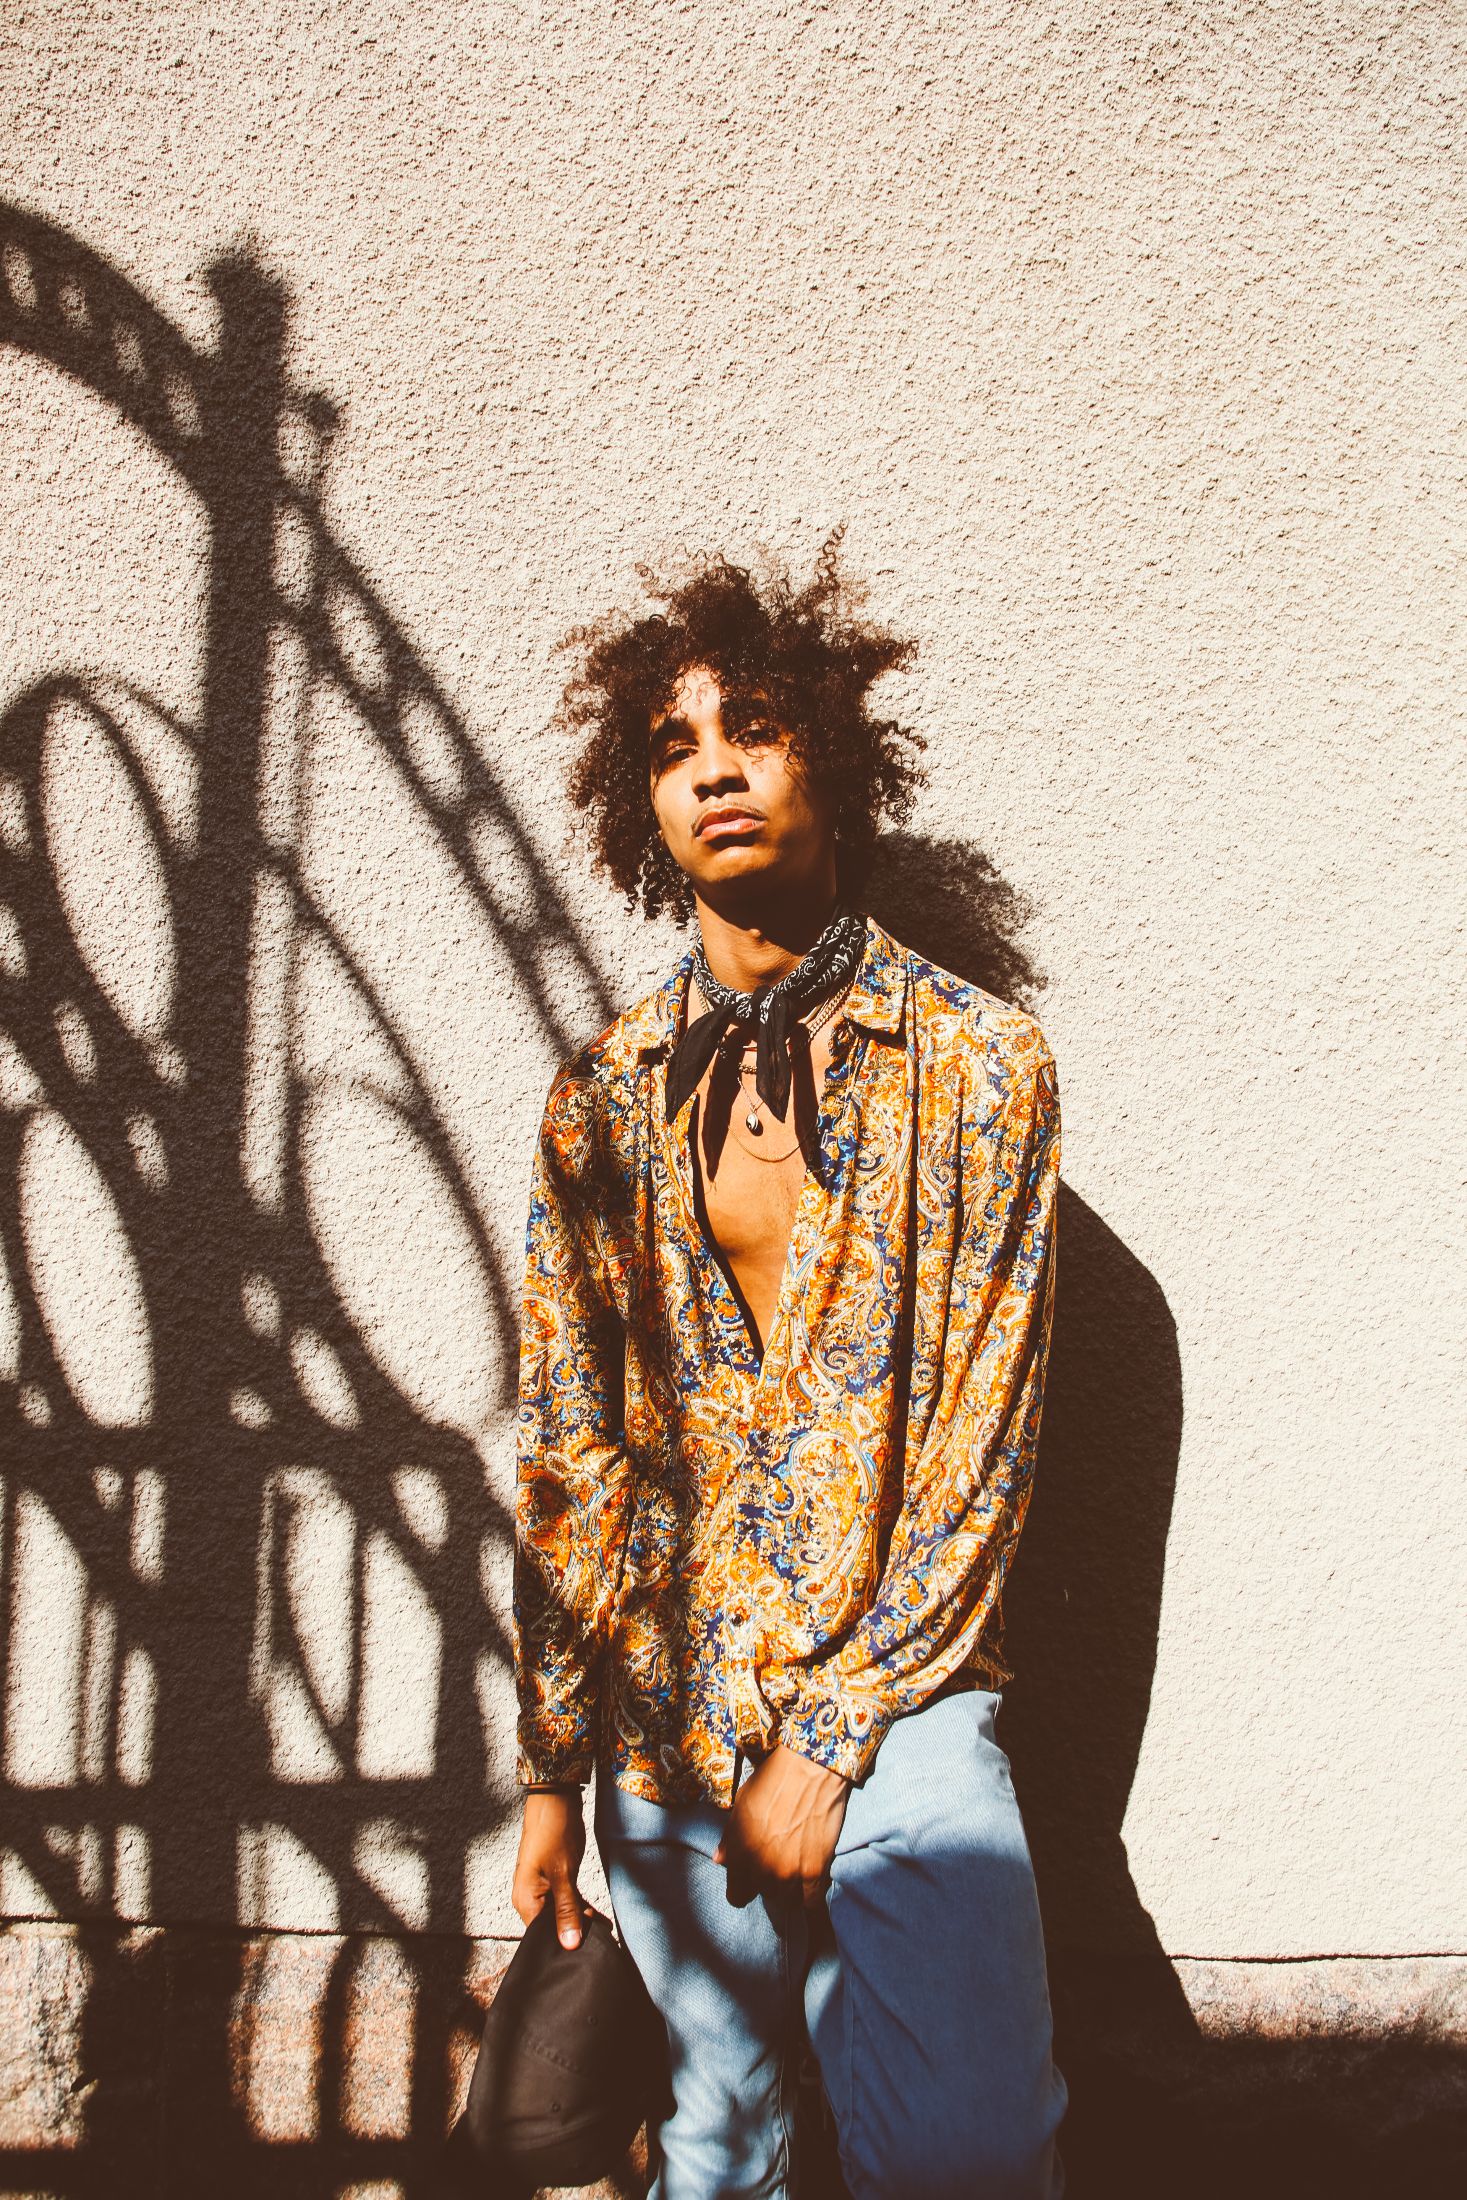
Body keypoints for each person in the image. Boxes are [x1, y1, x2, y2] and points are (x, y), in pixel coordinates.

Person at [509, 541, 1067, 2199]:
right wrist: (549, 1768)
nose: (715, 771)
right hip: (666, 1721)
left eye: (753, 729)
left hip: (901, 1704)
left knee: (969, 2153)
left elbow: (984, 1442)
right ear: (641, 804)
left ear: (833, 758)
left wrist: (828, 1747)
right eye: (673, 745)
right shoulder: (601, 1098)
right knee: (717, 2147)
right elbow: (571, 1450)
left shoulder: (981, 1067)